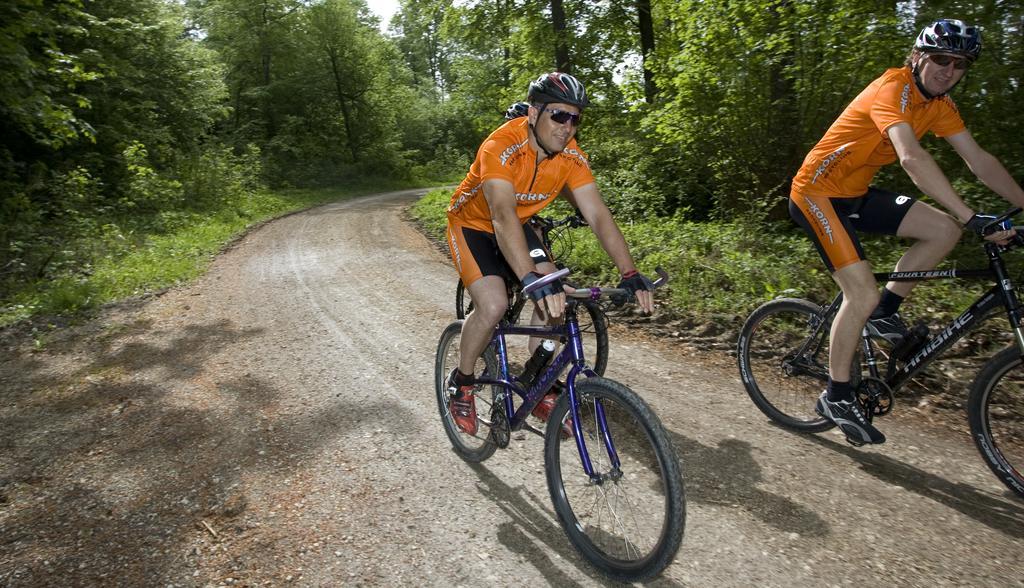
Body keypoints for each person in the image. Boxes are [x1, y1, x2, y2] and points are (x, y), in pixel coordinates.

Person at [789, 19, 1024, 445]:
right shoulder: (892, 89)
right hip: (815, 194)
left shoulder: (940, 105)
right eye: (941, 58)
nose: (948, 70)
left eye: (960, 64)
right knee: (860, 292)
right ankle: (836, 395)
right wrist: (975, 217)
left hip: (856, 193)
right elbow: (911, 158)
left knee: (943, 230)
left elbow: (980, 160)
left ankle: (885, 313)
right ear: (918, 57)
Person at [445, 72, 655, 435]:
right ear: (533, 112)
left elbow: (598, 214)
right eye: (559, 115)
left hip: (518, 225)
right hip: (474, 225)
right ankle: (461, 382)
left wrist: (629, 272)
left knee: (557, 294)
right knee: (494, 306)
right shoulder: (501, 145)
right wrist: (528, 277)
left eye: (576, 118)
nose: (568, 127)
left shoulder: (571, 157)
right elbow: (501, 214)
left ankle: (538, 379)